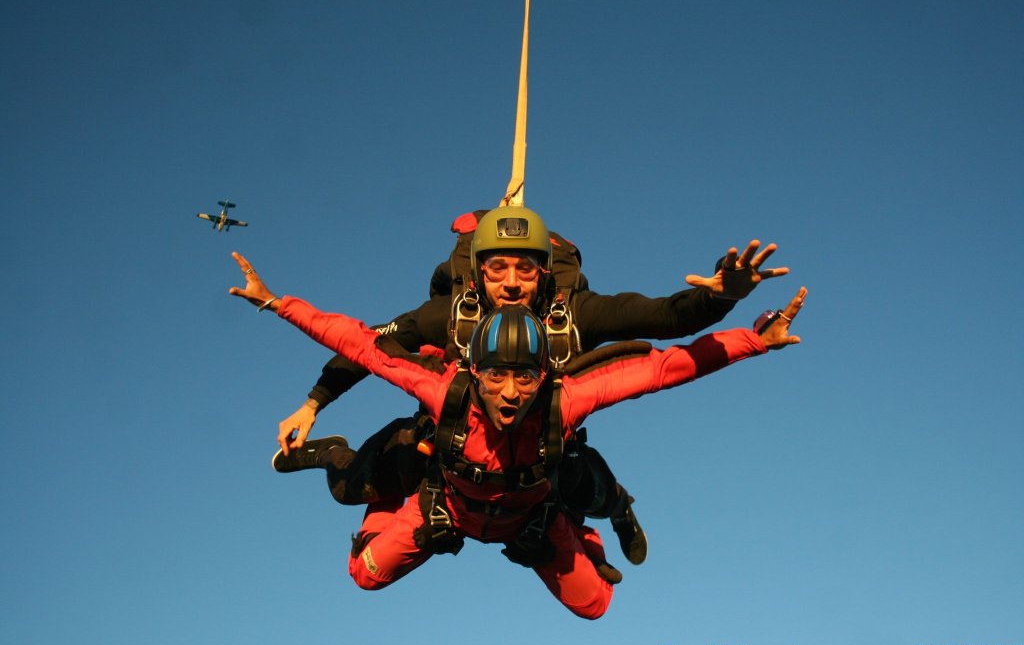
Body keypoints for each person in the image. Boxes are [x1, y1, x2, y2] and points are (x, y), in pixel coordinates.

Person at [228, 251, 805, 619]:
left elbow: (669, 366)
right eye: (497, 376)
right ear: (473, 370)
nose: (509, 392)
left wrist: (755, 337)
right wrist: (275, 303)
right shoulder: (442, 387)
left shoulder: (566, 396)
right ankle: (372, 491)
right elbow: (356, 340)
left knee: (595, 606)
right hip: (446, 508)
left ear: (543, 374)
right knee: (364, 575)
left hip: (531, 517)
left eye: (523, 377)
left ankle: (593, 525)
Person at [268, 206, 790, 567]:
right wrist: (313, 405)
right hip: (449, 443)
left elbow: (664, 318)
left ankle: (619, 507)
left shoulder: (574, 315)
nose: (513, 283)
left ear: (545, 274)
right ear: (477, 273)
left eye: (526, 268)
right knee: (350, 488)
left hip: (544, 448)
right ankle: (333, 455)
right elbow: (368, 344)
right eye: (498, 268)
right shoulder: (450, 316)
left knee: (585, 487)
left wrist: (723, 298)